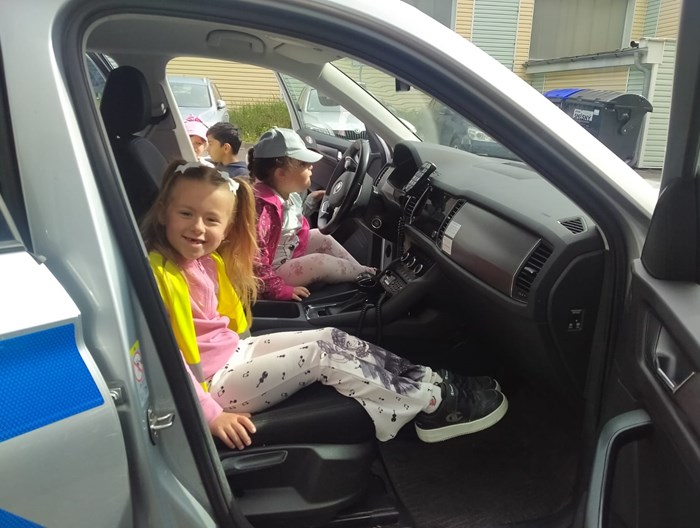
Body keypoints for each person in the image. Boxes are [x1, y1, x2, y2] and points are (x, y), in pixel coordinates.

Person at [140, 160, 508, 450]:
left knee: (329, 336)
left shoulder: (206, 262)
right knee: (321, 356)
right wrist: (209, 414)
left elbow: (224, 325)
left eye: (211, 220)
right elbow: (162, 358)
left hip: (233, 352)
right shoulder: (156, 276)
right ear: (163, 213)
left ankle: (425, 379)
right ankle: (430, 407)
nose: (198, 228)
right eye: (186, 214)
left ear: (226, 229)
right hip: (211, 384)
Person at [249, 127, 375, 301]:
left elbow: (287, 224)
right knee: (319, 263)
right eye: (303, 164)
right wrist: (279, 290)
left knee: (320, 235)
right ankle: (368, 276)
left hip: (286, 253)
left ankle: (362, 273)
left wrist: (309, 203)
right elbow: (255, 259)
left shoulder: (287, 196)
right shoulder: (264, 208)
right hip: (271, 274)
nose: (311, 167)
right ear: (281, 174)